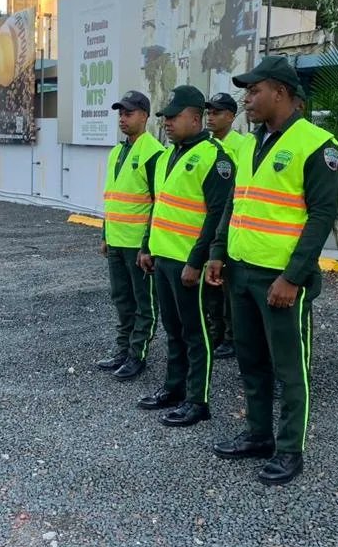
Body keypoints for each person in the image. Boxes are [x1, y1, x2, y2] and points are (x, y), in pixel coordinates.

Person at [207, 57, 338, 485]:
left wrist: (293, 277)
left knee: (289, 368)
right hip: (242, 273)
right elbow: (234, 204)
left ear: (280, 92)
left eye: (254, 91)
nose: (247, 99)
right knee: (250, 361)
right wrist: (217, 253)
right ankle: (258, 435)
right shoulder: (252, 143)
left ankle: (289, 450)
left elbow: (322, 216)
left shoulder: (318, 145)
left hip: (280, 280)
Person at [137, 85, 236, 426]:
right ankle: (173, 388)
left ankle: (198, 400)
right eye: (164, 116)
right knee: (173, 329)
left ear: (196, 119)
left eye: (173, 116)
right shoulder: (167, 156)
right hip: (163, 258)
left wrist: (197, 261)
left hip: (188, 265)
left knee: (196, 333)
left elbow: (219, 215)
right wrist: (147, 245)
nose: (166, 122)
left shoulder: (215, 158)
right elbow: (159, 206)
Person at [96, 91, 166, 380]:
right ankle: (122, 349)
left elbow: (158, 202)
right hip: (116, 240)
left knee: (144, 302)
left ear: (144, 116)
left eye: (129, 113)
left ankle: (138, 355)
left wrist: (148, 245)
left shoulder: (153, 153)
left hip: (138, 245)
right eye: (120, 114)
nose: (123, 119)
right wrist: (105, 233)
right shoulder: (117, 151)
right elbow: (112, 196)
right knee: (121, 299)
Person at [203, 92, 245, 360]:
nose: (211, 117)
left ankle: (231, 337)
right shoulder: (207, 146)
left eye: (216, 112)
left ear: (231, 116)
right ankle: (216, 333)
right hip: (210, 226)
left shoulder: (242, 145)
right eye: (209, 112)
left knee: (229, 287)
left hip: (232, 226)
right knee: (212, 288)